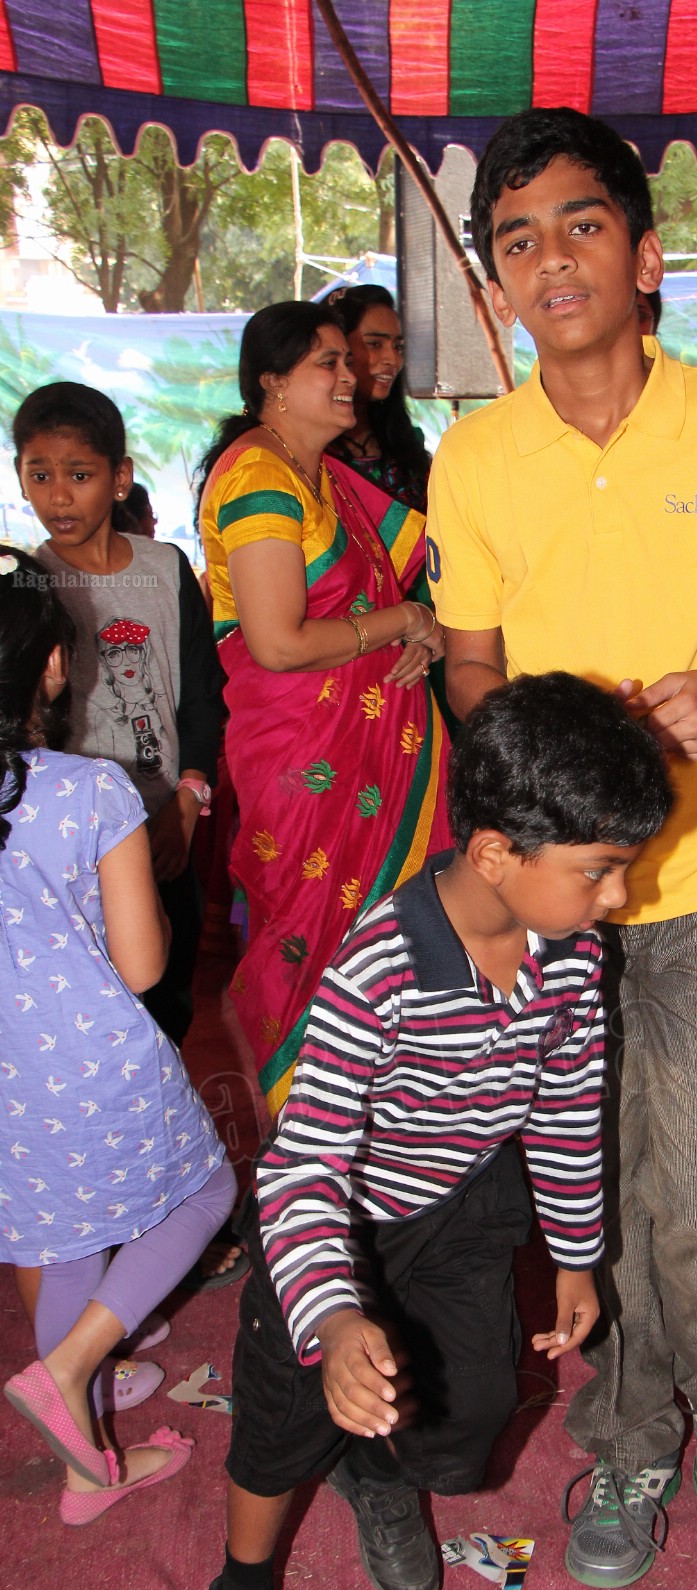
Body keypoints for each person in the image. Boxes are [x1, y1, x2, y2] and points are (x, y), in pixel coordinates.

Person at [426, 106, 697, 1590]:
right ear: (497, 282)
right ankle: (626, 1441)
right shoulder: (474, 458)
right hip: (557, 894)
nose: (551, 259)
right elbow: (468, 666)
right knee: (581, 1178)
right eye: (518, 240)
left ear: (645, 251)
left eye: (580, 225)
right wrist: (544, 746)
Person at [199, 672, 673, 1590]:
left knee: (459, 1411)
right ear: (501, 854)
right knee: (282, 1427)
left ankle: (376, 1472)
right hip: (337, 1223)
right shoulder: (380, 969)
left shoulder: (571, 954)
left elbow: (563, 1103)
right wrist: (333, 1315)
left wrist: (574, 1256)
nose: (619, 900)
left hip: (464, 1205)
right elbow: (303, 1167)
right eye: (599, 873)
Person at [0, 550, 236, 1524]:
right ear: (55, 667)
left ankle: (87, 1467)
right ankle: (70, 1367)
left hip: (8, 1079)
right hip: (96, 1064)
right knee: (206, 1191)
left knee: (63, 1246)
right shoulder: (90, 791)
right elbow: (143, 967)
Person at [197, 301, 453, 1118]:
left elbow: (373, 607)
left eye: (350, 361)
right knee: (308, 934)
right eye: (326, 364)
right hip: (300, 756)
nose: (351, 378)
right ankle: (304, 1139)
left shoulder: (325, 478)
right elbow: (276, 643)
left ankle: (382, 1131)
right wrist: (401, 622)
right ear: (271, 381)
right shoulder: (255, 477)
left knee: (385, 942)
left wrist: (420, 636)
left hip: (371, 748)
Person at [14, 382, 225, 1047]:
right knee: (85, 1010)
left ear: (119, 477)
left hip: (167, 825)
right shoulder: (26, 586)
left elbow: (202, 694)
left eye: (79, 475)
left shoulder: (166, 569)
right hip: (71, 842)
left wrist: (187, 802)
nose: (58, 496)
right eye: (39, 474)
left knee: (167, 1001)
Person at [324, 283, 432, 514]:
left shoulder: (405, 439)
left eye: (398, 347)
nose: (392, 359)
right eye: (374, 343)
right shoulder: (310, 449)